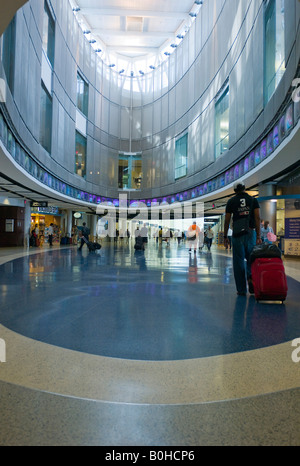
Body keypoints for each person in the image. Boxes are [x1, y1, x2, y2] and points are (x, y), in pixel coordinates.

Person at [224, 180, 261, 296]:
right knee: (252, 258)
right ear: (245, 188)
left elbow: (227, 220)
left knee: (238, 260)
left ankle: (241, 289)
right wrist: (259, 236)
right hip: (251, 232)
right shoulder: (253, 200)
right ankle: (251, 280)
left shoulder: (231, 201)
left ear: (235, 190)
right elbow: (258, 218)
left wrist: (225, 236)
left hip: (237, 234)